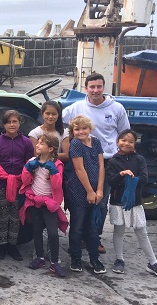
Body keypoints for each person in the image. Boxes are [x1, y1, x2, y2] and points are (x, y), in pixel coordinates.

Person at [62, 72, 130, 253]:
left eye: (99, 86)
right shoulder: (75, 107)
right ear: (86, 89)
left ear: (104, 87)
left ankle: (95, 237)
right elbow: (55, 122)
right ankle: (80, 237)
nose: (96, 90)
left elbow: (125, 135)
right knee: (80, 201)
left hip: (107, 162)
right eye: (92, 87)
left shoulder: (117, 109)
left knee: (100, 202)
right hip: (80, 161)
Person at [107, 129, 157, 278]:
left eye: (130, 141)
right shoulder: (113, 161)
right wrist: (122, 175)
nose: (126, 143)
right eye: (123, 140)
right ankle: (119, 259)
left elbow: (144, 179)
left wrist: (131, 179)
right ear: (117, 142)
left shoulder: (139, 159)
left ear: (135, 144)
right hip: (118, 202)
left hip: (135, 202)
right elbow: (111, 181)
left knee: (141, 231)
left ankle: (153, 262)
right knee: (119, 231)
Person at [19, 133, 68, 278]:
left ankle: (54, 261)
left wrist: (52, 171)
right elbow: (25, 180)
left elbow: (57, 185)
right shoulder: (32, 161)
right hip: (34, 200)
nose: (37, 145)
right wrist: (28, 168)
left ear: (51, 148)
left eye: (41, 143)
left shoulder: (57, 164)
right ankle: (39, 257)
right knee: (37, 229)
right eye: (38, 142)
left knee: (53, 232)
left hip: (49, 202)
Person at [0, 110, 34, 261]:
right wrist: (6, 177)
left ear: (20, 123)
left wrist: (21, 178)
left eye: (14, 121)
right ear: (3, 124)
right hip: (1, 184)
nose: (11, 125)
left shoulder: (26, 142)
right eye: (8, 122)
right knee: (2, 216)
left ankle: (12, 246)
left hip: (20, 184)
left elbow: (29, 163)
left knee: (15, 216)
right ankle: (1, 246)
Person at [66, 115, 106, 274]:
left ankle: (94, 258)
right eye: (77, 129)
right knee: (77, 227)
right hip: (78, 190)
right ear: (72, 131)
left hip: (95, 189)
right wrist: (89, 191)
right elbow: (79, 169)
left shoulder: (95, 142)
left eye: (84, 128)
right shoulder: (75, 143)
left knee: (93, 227)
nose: (81, 132)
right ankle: (75, 258)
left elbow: (101, 166)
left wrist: (100, 190)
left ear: (89, 129)